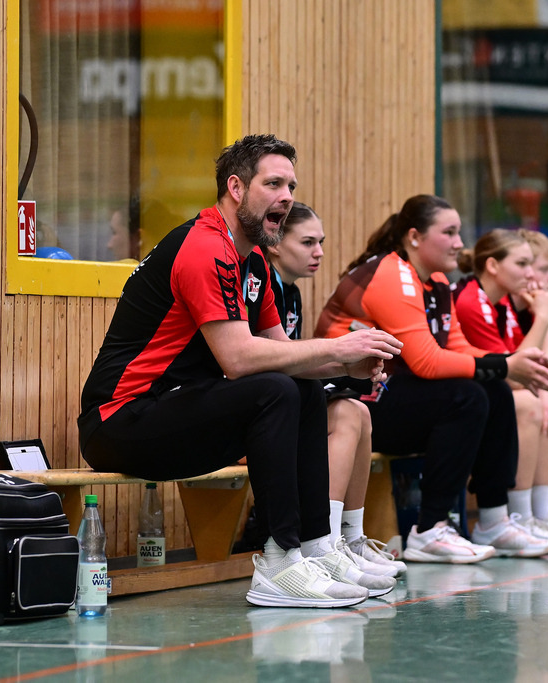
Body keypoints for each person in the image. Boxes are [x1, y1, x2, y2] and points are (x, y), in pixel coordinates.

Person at [79, 134, 404, 608]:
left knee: (308, 390)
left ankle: (317, 546)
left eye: (291, 185)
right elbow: (238, 359)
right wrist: (338, 345)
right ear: (236, 187)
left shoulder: (251, 260)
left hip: (175, 410)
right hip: (119, 420)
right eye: (273, 183)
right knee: (274, 391)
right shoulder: (202, 247)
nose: (287, 197)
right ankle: (277, 561)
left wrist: (347, 365)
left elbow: (282, 351)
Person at [315, 194, 548, 562]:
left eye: (459, 232)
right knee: (466, 396)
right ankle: (430, 527)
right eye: (449, 232)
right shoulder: (390, 273)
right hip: (350, 400)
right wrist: (507, 366)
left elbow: (461, 349)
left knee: (492, 389)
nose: (460, 243)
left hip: (386, 395)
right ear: (415, 237)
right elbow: (427, 363)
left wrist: (509, 365)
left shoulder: (434, 279)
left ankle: (494, 519)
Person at [265, 201, 405, 577]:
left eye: (321, 242)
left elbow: (293, 362)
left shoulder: (289, 292)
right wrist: (342, 373)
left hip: (282, 403)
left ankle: (349, 540)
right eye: (308, 242)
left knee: (357, 410)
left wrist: (351, 374)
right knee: (345, 412)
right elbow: (272, 362)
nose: (320, 252)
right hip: (259, 417)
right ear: (275, 244)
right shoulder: (262, 286)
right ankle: (321, 543)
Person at [452, 229, 548, 550]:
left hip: (489, 392)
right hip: (465, 398)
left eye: (541, 268)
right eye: (528, 264)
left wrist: (545, 318)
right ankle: (522, 515)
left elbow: (538, 369)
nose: (539, 276)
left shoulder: (503, 304)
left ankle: (547, 511)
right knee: (537, 403)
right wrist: (545, 318)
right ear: (494, 266)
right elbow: (517, 371)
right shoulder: (472, 300)